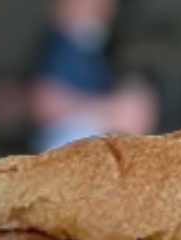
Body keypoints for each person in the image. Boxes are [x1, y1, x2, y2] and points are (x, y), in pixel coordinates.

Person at [30, 0, 157, 152]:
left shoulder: (93, 50)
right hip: (66, 147)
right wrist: (108, 109)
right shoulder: (60, 48)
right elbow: (45, 105)